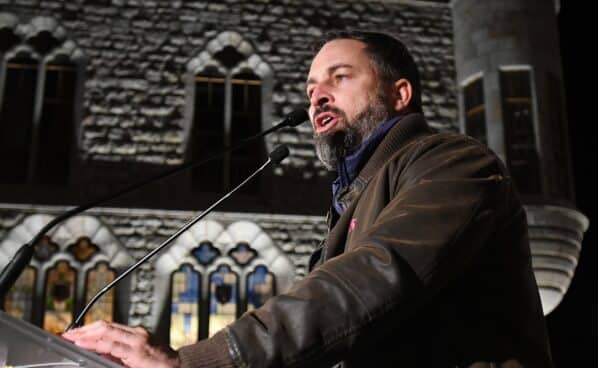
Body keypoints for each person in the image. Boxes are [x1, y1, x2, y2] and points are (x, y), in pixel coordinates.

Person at [63, 31, 553, 368]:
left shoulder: (456, 163)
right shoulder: (350, 201)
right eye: (310, 87)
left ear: (400, 94)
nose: (316, 96)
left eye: (339, 78)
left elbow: (379, 274)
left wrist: (205, 360)